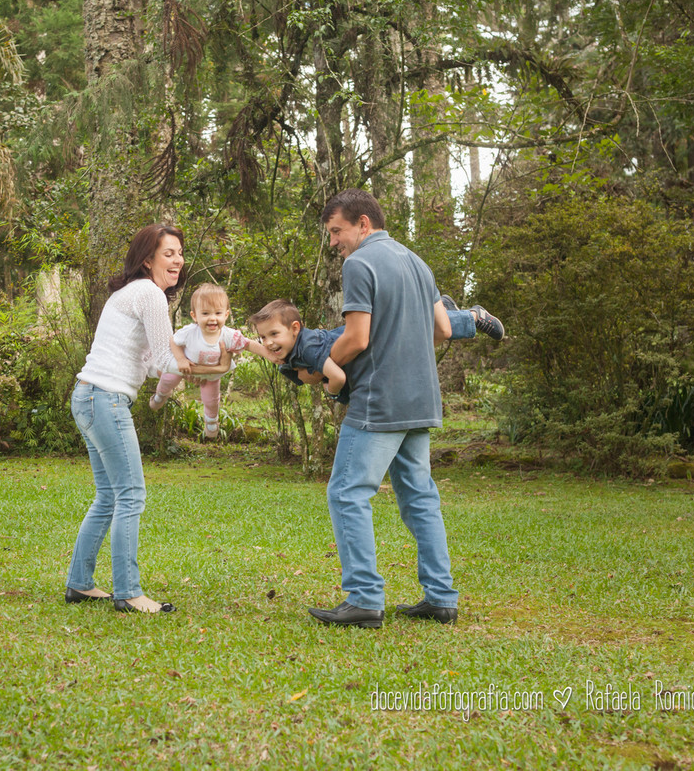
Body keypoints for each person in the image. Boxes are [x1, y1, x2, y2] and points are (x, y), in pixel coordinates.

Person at [306, 189, 460, 629]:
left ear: (363, 224)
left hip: (379, 402)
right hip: (421, 399)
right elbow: (444, 329)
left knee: (347, 493)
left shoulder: (360, 263)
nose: (333, 242)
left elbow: (356, 338)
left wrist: (323, 365)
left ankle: (364, 599)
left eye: (337, 231)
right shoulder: (417, 262)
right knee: (420, 497)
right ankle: (441, 597)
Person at [65, 224, 221, 615]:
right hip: (105, 399)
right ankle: (128, 592)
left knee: (109, 496)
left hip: (89, 396)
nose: (178, 260)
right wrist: (213, 364)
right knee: (130, 495)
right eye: (168, 253)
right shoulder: (149, 293)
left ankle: (80, 583)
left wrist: (190, 366)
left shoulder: (133, 293)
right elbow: (168, 359)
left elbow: (153, 365)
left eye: (180, 253)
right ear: (148, 260)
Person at [248, 294, 503, 405]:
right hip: (363, 355)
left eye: (274, 334)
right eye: (263, 337)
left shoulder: (309, 349)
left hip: (367, 339)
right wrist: (243, 343)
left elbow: (338, 377)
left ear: (295, 328)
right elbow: (267, 353)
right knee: (413, 332)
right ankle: (443, 310)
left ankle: (472, 317)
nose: (268, 343)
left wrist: (332, 393)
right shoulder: (288, 351)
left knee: (411, 331)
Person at [148, 283, 277, 438]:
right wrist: (181, 359)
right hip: (186, 367)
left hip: (211, 376)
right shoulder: (190, 332)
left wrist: (269, 354)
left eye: (218, 313)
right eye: (205, 313)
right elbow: (173, 341)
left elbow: (248, 344)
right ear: (194, 316)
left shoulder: (228, 335)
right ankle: (161, 395)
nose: (212, 318)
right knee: (168, 379)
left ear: (226, 315)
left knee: (211, 400)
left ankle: (211, 422)